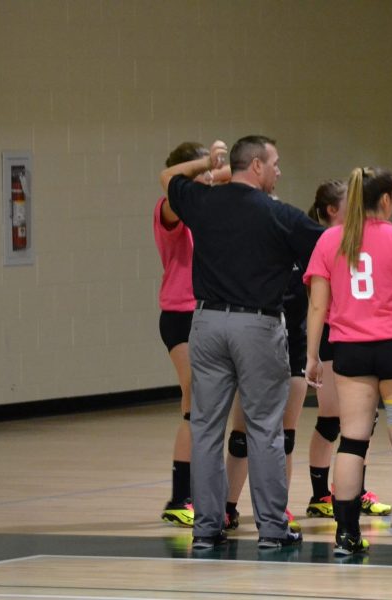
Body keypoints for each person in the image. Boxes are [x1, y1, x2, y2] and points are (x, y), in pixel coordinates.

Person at [160, 135, 323, 551]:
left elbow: (166, 177)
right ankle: (272, 528)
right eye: (275, 163)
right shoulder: (279, 215)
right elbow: (328, 247)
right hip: (258, 326)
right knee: (265, 428)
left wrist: (208, 169)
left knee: (206, 428)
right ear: (255, 166)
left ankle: (206, 527)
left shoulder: (202, 202)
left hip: (207, 323)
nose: (279, 171)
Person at [304, 167, 392, 556]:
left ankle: (347, 535)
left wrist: (312, 356)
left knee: (352, 441)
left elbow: (318, 304)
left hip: (350, 351)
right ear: (386, 200)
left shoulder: (330, 239)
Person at [304, 181, 392, 520]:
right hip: (330, 333)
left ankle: (353, 490)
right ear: (332, 209)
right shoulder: (322, 240)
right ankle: (320, 494)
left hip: (353, 335)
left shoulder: (355, 239)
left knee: (360, 419)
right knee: (332, 420)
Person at [155, 142, 229, 528]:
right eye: (198, 177)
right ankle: (179, 496)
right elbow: (172, 190)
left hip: (206, 313)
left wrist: (218, 166)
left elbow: (239, 176)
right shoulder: (170, 209)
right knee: (194, 401)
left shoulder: (208, 209)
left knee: (204, 405)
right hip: (179, 315)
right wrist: (206, 163)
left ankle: (199, 494)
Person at [222, 260, 308, 534]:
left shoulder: (306, 249)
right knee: (241, 438)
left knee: (286, 437)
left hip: (294, 350)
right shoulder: (251, 248)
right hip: (255, 350)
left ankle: (277, 509)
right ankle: (227, 507)